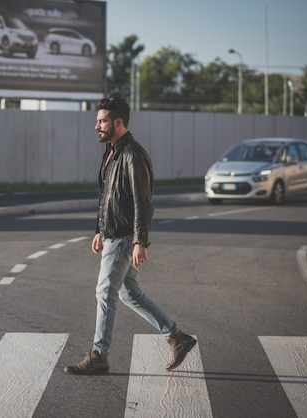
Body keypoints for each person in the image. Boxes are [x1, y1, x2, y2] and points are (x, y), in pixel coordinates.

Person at [64, 96, 196, 375]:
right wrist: (100, 229)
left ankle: (99, 354)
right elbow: (107, 196)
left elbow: (142, 201)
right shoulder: (112, 151)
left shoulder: (133, 154)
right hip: (113, 232)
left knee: (105, 291)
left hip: (125, 235)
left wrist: (140, 241)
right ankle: (176, 337)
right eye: (98, 120)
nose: (96, 125)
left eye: (102, 121)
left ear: (118, 122)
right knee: (129, 293)